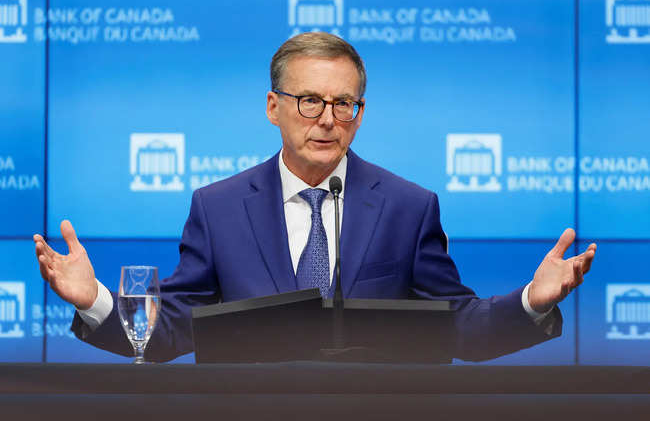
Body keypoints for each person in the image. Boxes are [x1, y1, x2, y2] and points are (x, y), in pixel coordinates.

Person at [33, 32, 596, 362]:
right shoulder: (218, 207)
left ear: (359, 112)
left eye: (343, 104)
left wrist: (532, 301)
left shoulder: (408, 205)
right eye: (308, 101)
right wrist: (96, 301)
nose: (327, 120)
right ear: (273, 107)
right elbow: (173, 330)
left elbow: (458, 327)